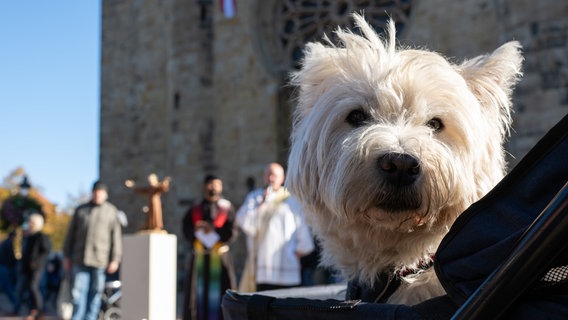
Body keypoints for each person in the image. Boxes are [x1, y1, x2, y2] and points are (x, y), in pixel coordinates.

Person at [236, 162, 314, 291]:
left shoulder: (292, 200)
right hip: (263, 266)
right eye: (268, 175)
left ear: (282, 178)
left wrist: (301, 249)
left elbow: (302, 228)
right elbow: (243, 221)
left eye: (275, 175)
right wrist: (261, 205)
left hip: (287, 263)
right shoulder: (255, 198)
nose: (271, 178)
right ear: (264, 177)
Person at [62, 180, 122, 320]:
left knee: (95, 294)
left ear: (105, 195)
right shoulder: (81, 210)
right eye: (95, 193)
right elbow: (70, 235)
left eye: (100, 194)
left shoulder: (111, 212)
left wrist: (115, 258)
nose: (97, 196)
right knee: (78, 294)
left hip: (100, 259)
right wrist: (66, 255)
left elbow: (116, 238)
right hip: (80, 258)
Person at [182, 174, 238, 320]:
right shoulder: (195, 208)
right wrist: (195, 230)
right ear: (204, 186)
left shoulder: (226, 207)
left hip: (220, 258)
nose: (213, 188)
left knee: (221, 293)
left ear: (221, 187)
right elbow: (186, 228)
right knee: (196, 295)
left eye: (216, 185)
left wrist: (213, 229)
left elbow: (233, 231)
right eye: (210, 184)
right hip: (200, 257)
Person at [13, 213, 51, 319]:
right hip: (27, 268)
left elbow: (45, 252)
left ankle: (39, 311)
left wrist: (36, 262)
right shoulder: (29, 236)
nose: (29, 224)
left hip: (36, 268)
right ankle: (32, 311)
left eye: (31, 223)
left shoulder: (42, 236)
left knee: (34, 288)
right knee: (29, 290)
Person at [0, 231, 18, 315]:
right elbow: (11, 256)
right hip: (4, 267)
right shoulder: (8, 243)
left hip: (3, 266)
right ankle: (15, 304)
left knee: (5, 287)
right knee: (7, 287)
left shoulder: (4, 242)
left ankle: (15, 304)